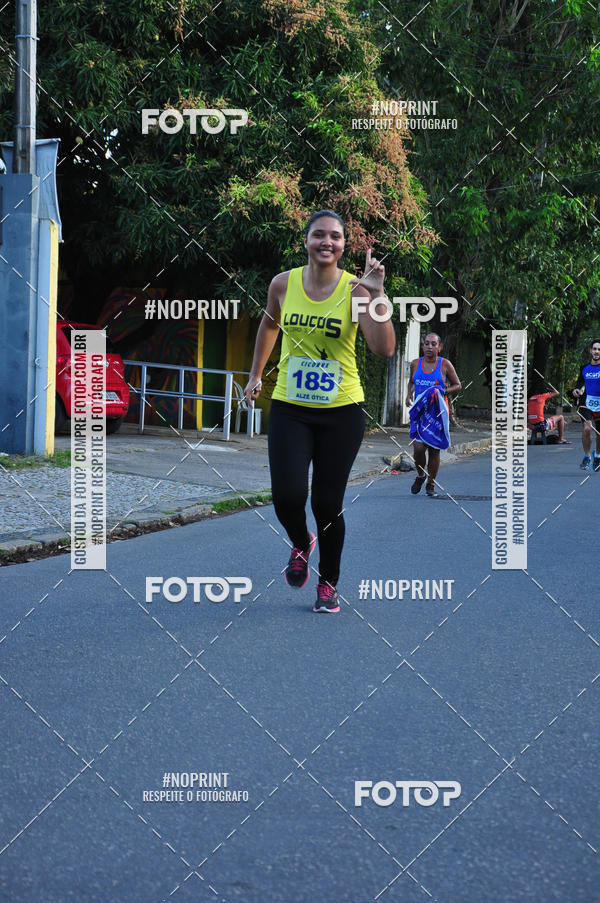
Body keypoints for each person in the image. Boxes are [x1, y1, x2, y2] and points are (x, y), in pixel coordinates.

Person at [244, 210, 395, 612]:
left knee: (327, 504)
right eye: (319, 235)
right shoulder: (283, 283)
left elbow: (384, 349)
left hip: (342, 411)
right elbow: (269, 325)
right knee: (287, 496)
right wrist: (255, 374)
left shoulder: (357, 290)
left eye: (336, 237)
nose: (327, 242)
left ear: (344, 245)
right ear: (306, 240)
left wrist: (377, 295)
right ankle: (300, 541)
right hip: (290, 407)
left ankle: (328, 582)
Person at [405, 333, 461, 497]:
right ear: (423, 346)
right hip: (420, 413)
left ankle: (431, 483)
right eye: (427, 344)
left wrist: (444, 390)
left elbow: (458, 385)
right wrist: (409, 395)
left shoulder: (445, 365)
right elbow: (411, 381)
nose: (429, 347)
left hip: (438, 413)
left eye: (433, 344)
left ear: (439, 347)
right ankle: (421, 475)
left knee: (434, 450)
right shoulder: (415, 364)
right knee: (418, 448)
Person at [572, 338, 600, 470]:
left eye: (599, 349)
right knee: (587, 428)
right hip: (586, 403)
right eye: (594, 349)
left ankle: (598, 455)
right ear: (590, 351)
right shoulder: (584, 368)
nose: (597, 351)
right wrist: (576, 390)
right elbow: (579, 384)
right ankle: (587, 456)